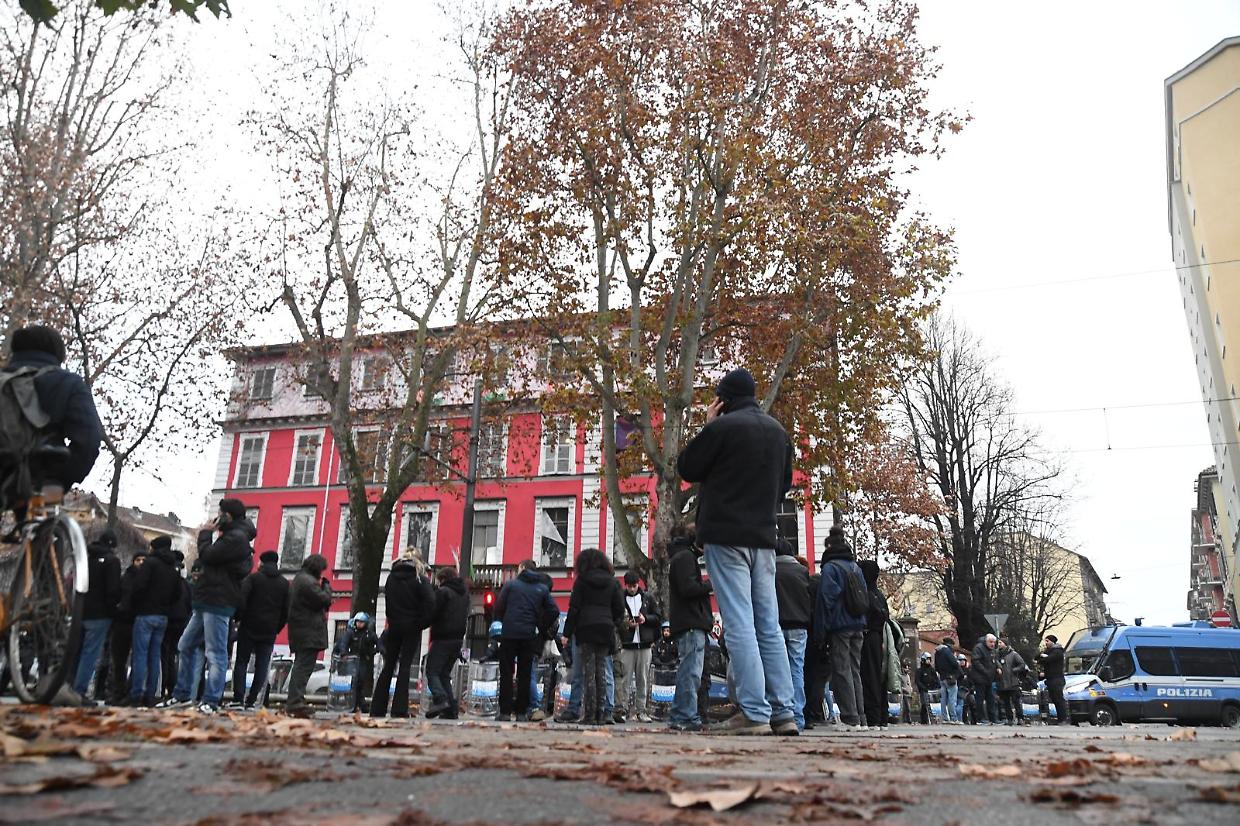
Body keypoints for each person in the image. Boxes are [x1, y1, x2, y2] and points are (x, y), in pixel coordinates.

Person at [677, 368, 797, 737]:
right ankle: (784, 711)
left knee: (740, 622)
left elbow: (688, 467)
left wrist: (708, 424)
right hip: (763, 538)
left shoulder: (721, 428)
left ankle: (754, 711)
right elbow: (786, 485)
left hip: (725, 536)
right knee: (769, 625)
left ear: (722, 400)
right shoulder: (778, 433)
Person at [157, 499, 255, 714]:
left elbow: (208, 555)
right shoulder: (232, 536)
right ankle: (182, 694)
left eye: (220, 512)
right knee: (185, 645)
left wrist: (205, 533)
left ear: (227, 516)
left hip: (218, 601)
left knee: (215, 652)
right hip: (207, 600)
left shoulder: (235, 538)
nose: (216, 516)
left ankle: (211, 700)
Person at [1, 325, 102, 499]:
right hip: (43, 481)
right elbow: (89, 441)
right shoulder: (69, 383)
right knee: (43, 520)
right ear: (59, 353)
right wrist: (61, 481)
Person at [561, 548, 624, 726]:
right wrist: (612, 622)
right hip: (605, 629)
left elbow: (574, 609)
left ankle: (589, 715)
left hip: (586, 628)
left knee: (589, 672)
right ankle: (602, 713)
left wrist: (566, 633)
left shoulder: (581, 582)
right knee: (602, 671)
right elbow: (619, 609)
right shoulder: (612, 582)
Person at [814, 526, 868, 731]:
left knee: (842, 670)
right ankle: (860, 717)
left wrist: (821, 631)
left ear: (828, 546)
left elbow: (826, 600)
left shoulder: (830, 568)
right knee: (855, 670)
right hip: (858, 623)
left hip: (840, 625)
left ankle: (849, 718)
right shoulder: (855, 567)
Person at [494, 559, 559, 722]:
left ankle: (505, 712)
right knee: (525, 674)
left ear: (521, 569)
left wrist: (500, 624)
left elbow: (499, 608)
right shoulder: (541, 589)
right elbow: (554, 610)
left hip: (509, 634)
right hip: (529, 635)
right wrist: (540, 625)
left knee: (507, 673)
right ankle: (522, 713)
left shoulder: (510, 586)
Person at [371, 553, 432, 718]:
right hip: (411, 627)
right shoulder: (420, 580)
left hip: (394, 626)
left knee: (388, 666)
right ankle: (399, 708)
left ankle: (377, 707)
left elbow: (388, 602)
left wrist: (393, 620)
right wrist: (420, 623)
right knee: (405, 667)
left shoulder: (391, 578)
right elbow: (430, 604)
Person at [665, 526, 713, 732]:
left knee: (688, 671)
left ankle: (680, 714)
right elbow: (688, 589)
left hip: (688, 621)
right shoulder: (685, 558)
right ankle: (686, 715)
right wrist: (711, 584)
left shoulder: (680, 557)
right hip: (692, 622)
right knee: (691, 672)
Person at [231, 550, 290, 709]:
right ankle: (252, 700)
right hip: (269, 630)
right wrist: (277, 628)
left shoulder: (253, 578)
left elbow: (242, 600)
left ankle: (238, 698)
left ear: (262, 562)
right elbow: (286, 610)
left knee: (242, 662)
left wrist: (238, 618)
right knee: (262, 666)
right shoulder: (284, 583)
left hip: (249, 626)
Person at [126, 536, 180, 707]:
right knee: (154, 656)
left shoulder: (150, 564)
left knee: (140, 655)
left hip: (145, 614)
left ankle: (136, 694)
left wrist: (136, 603)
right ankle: (151, 694)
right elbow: (177, 593)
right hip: (163, 617)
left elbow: (139, 587)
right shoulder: (172, 567)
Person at [72, 529, 122, 700]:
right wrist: (114, 612)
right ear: (113, 546)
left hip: (80, 611)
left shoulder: (85, 558)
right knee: (90, 654)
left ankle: (69, 688)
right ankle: (79, 692)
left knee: (76, 652)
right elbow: (112, 590)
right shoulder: (112, 562)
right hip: (100, 615)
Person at [284, 554, 332, 717]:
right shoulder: (307, 582)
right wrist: (326, 586)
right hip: (308, 632)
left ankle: (296, 700)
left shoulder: (299, 579)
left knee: (301, 666)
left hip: (302, 630)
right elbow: (324, 600)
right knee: (303, 668)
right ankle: (295, 702)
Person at [774, 537, 811, 731]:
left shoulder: (771, 571)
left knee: (777, 670)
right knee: (797, 669)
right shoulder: (802, 571)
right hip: (799, 625)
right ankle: (798, 716)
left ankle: (782, 712)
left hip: (777, 624)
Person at [426, 566, 469, 719]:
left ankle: (441, 699)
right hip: (457, 639)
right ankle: (451, 709)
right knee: (444, 674)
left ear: (443, 579)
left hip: (442, 637)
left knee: (432, 671)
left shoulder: (443, 592)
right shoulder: (464, 594)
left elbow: (433, 613)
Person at [618, 570, 661, 723]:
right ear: (626, 585)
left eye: (634, 586)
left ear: (638, 584)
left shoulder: (648, 598)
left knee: (642, 679)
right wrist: (626, 624)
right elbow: (616, 619)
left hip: (644, 644)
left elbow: (658, 617)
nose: (632, 589)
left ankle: (641, 710)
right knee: (625, 679)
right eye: (629, 586)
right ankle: (623, 709)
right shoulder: (620, 598)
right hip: (628, 644)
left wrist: (645, 619)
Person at [107, 549, 145, 704]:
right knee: (119, 660)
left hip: (135, 621)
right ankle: (118, 691)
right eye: (138, 560)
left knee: (136, 660)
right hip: (122, 622)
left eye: (143, 560)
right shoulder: (126, 577)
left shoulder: (146, 579)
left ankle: (129, 691)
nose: (141, 563)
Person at [161, 551, 192, 700]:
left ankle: (161, 687)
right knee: (173, 655)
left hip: (167, 619)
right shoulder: (187, 584)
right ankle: (172, 687)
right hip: (181, 622)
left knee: (163, 655)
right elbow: (189, 604)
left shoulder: (167, 578)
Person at [333, 612, 379, 712]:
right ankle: (356, 704)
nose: (359, 624)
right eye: (358, 622)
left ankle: (358, 704)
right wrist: (343, 653)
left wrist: (372, 652)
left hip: (363, 660)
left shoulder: (369, 634)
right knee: (353, 682)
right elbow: (343, 643)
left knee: (360, 682)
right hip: (351, 660)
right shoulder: (351, 632)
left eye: (361, 622)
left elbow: (378, 644)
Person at [1036, 635, 1067, 725]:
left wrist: (1043, 657)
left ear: (1052, 641)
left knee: (1059, 699)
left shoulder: (1058, 651)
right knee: (1054, 699)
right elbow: (1038, 658)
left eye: (1047, 641)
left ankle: (1063, 719)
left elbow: (1048, 659)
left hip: (1057, 679)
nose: (1046, 643)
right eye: (1045, 641)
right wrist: (1042, 656)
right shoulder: (1048, 651)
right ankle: (1060, 718)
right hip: (1050, 679)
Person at [995, 640, 1028, 725]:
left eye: (1000, 642)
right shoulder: (997, 654)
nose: (999, 644)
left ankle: (1020, 718)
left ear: (1005, 644)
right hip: (1002, 681)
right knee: (1005, 702)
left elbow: (1022, 664)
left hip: (1013, 681)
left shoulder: (1013, 654)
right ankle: (1009, 719)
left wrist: (1013, 670)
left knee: (1016, 701)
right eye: (998, 643)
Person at [970, 633, 1000, 724]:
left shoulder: (992, 650)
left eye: (994, 642)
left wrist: (998, 667)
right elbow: (976, 661)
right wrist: (985, 671)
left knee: (991, 699)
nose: (992, 644)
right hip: (980, 678)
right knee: (980, 699)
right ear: (986, 641)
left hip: (989, 679)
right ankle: (980, 718)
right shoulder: (978, 648)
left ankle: (993, 719)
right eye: (991, 642)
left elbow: (995, 660)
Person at [934, 637, 964, 725]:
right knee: (952, 698)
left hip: (942, 678)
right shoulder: (947, 651)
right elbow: (954, 663)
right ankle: (954, 718)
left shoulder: (937, 652)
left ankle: (945, 718)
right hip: (950, 678)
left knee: (943, 699)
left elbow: (936, 667)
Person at [915, 652, 940, 724]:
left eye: (929, 659)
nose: (928, 661)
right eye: (927, 659)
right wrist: (923, 688)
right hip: (924, 691)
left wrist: (937, 686)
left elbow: (936, 679)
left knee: (933, 705)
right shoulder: (919, 671)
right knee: (924, 705)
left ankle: (934, 719)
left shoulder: (932, 670)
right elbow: (917, 681)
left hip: (932, 691)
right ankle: (924, 720)